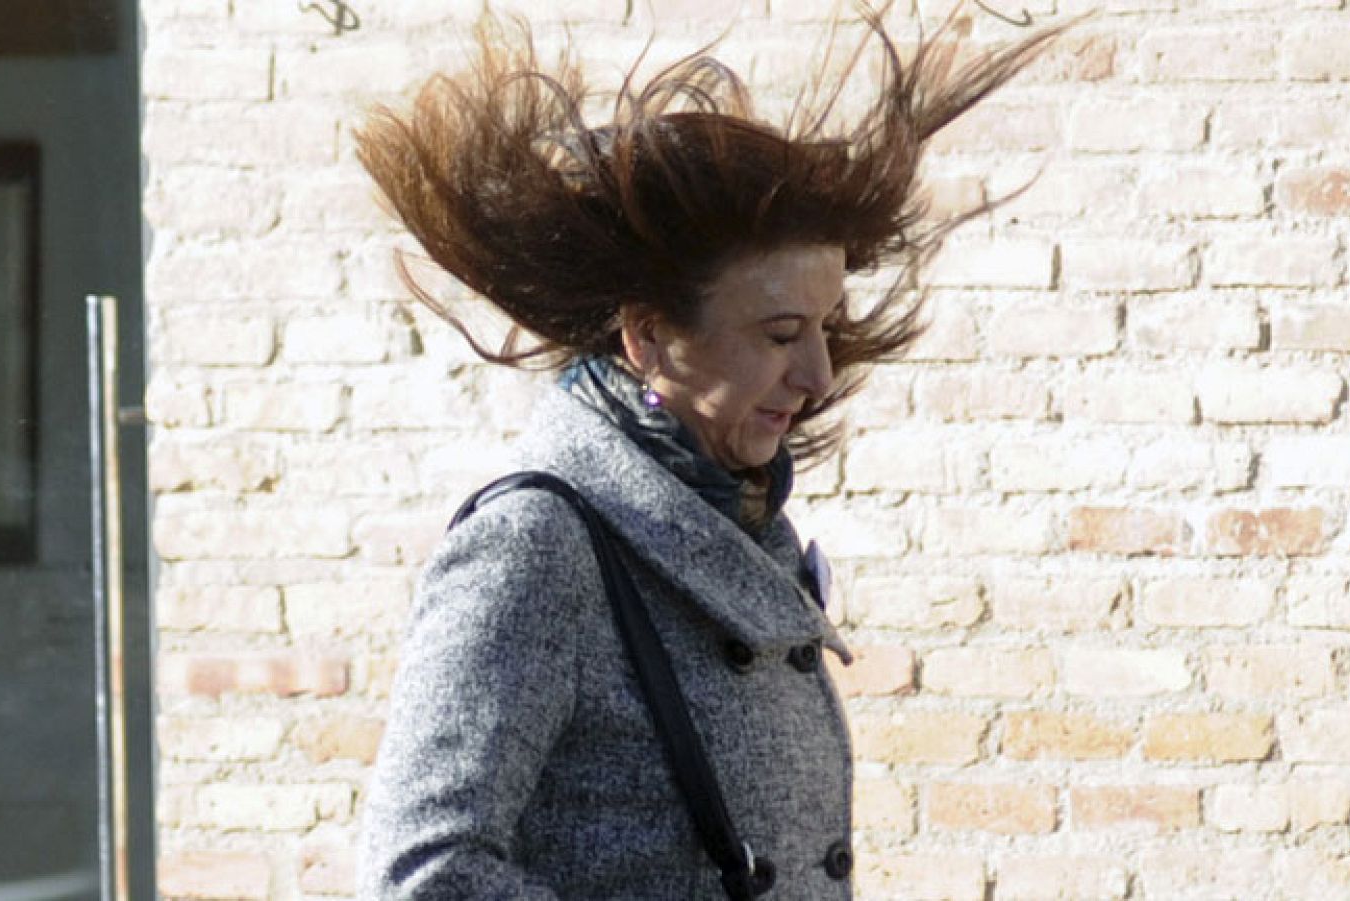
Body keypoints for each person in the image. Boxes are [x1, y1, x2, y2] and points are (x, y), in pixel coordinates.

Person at [355, 5, 1066, 898]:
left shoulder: (735, 519)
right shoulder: (539, 546)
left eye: (824, 328)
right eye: (779, 333)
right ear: (649, 336)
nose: (816, 373)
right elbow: (422, 873)